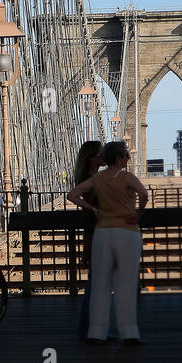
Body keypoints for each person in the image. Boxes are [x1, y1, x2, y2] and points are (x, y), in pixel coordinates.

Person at [67, 140, 148, 345]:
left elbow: (72, 195)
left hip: (103, 233)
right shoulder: (128, 177)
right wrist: (138, 213)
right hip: (127, 233)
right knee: (125, 285)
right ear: (120, 159)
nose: (128, 158)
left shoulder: (99, 178)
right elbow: (144, 194)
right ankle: (129, 333)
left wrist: (94, 210)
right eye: (127, 155)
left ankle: (96, 333)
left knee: (100, 286)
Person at [72, 140, 115, 342]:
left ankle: (91, 331)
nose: (103, 156)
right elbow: (75, 198)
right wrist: (95, 209)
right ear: (92, 158)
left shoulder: (93, 177)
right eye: (100, 153)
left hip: (98, 232)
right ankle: (93, 332)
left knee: (97, 285)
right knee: (98, 286)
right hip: (96, 234)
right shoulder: (90, 179)